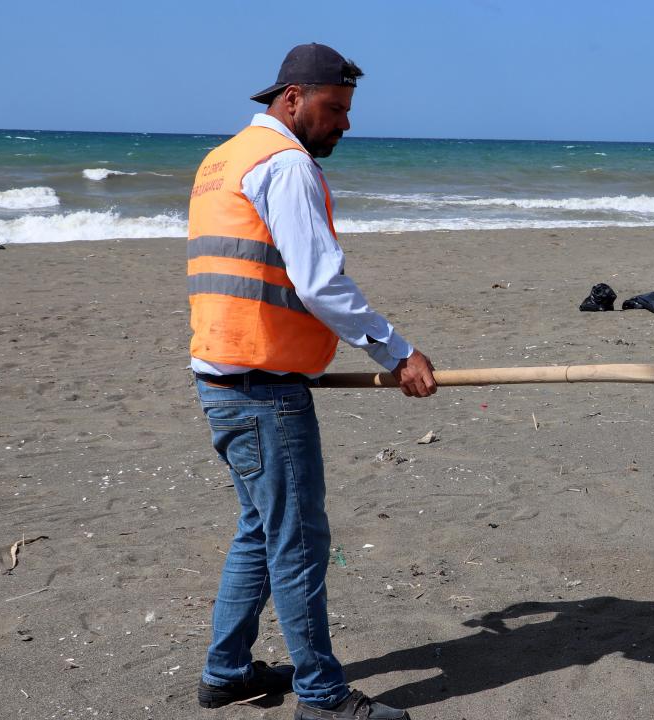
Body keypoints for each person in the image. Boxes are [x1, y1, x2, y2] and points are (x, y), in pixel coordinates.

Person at [188, 43, 437, 720]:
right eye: (335, 109)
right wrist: (397, 350)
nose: (345, 125)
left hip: (225, 378)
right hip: (262, 389)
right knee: (296, 540)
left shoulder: (223, 159)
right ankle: (323, 700)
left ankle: (227, 671)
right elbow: (321, 283)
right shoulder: (285, 165)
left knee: (260, 530)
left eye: (348, 111)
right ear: (292, 98)